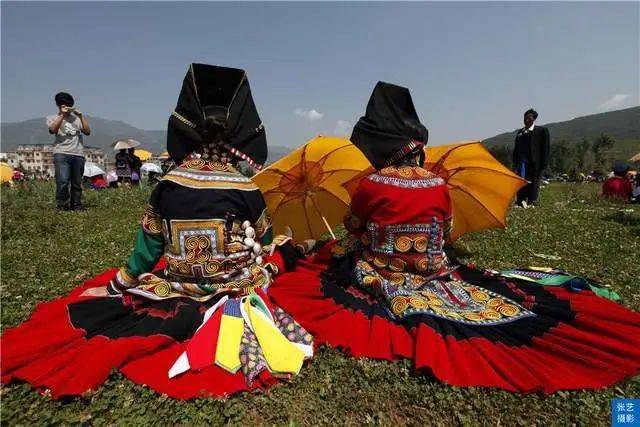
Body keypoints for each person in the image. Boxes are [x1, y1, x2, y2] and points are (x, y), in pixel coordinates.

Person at [268, 82, 640, 394]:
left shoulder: (372, 184)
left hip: (384, 270)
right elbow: (445, 232)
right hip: (437, 271)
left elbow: (354, 227)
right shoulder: (437, 184)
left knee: (335, 253)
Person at [1, 64, 313, 400]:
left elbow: (146, 252)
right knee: (277, 258)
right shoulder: (246, 188)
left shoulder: (167, 185)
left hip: (177, 285)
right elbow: (264, 243)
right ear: (237, 137)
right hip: (232, 290)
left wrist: (113, 287)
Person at [47, 92, 90, 211]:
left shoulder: (77, 119)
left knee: (76, 182)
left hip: (78, 153)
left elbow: (87, 131)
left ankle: (76, 204)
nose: (67, 108)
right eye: (64, 105)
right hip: (61, 153)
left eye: (69, 105)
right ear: (59, 106)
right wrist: (62, 115)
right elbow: (52, 130)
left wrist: (81, 116)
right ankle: (62, 205)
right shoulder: (52, 117)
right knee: (62, 181)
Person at [512, 108, 550, 208]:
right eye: (525, 118)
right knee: (521, 181)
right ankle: (520, 201)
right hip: (522, 162)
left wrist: (543, 163)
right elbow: (516, 148)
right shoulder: (520, 132)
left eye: (529, 118)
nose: (526, 120)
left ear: (533, 119)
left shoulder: (541, 131)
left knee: (534, 181)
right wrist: (515, 162)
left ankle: (532, 201)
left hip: (535, 162)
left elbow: (545, 149)